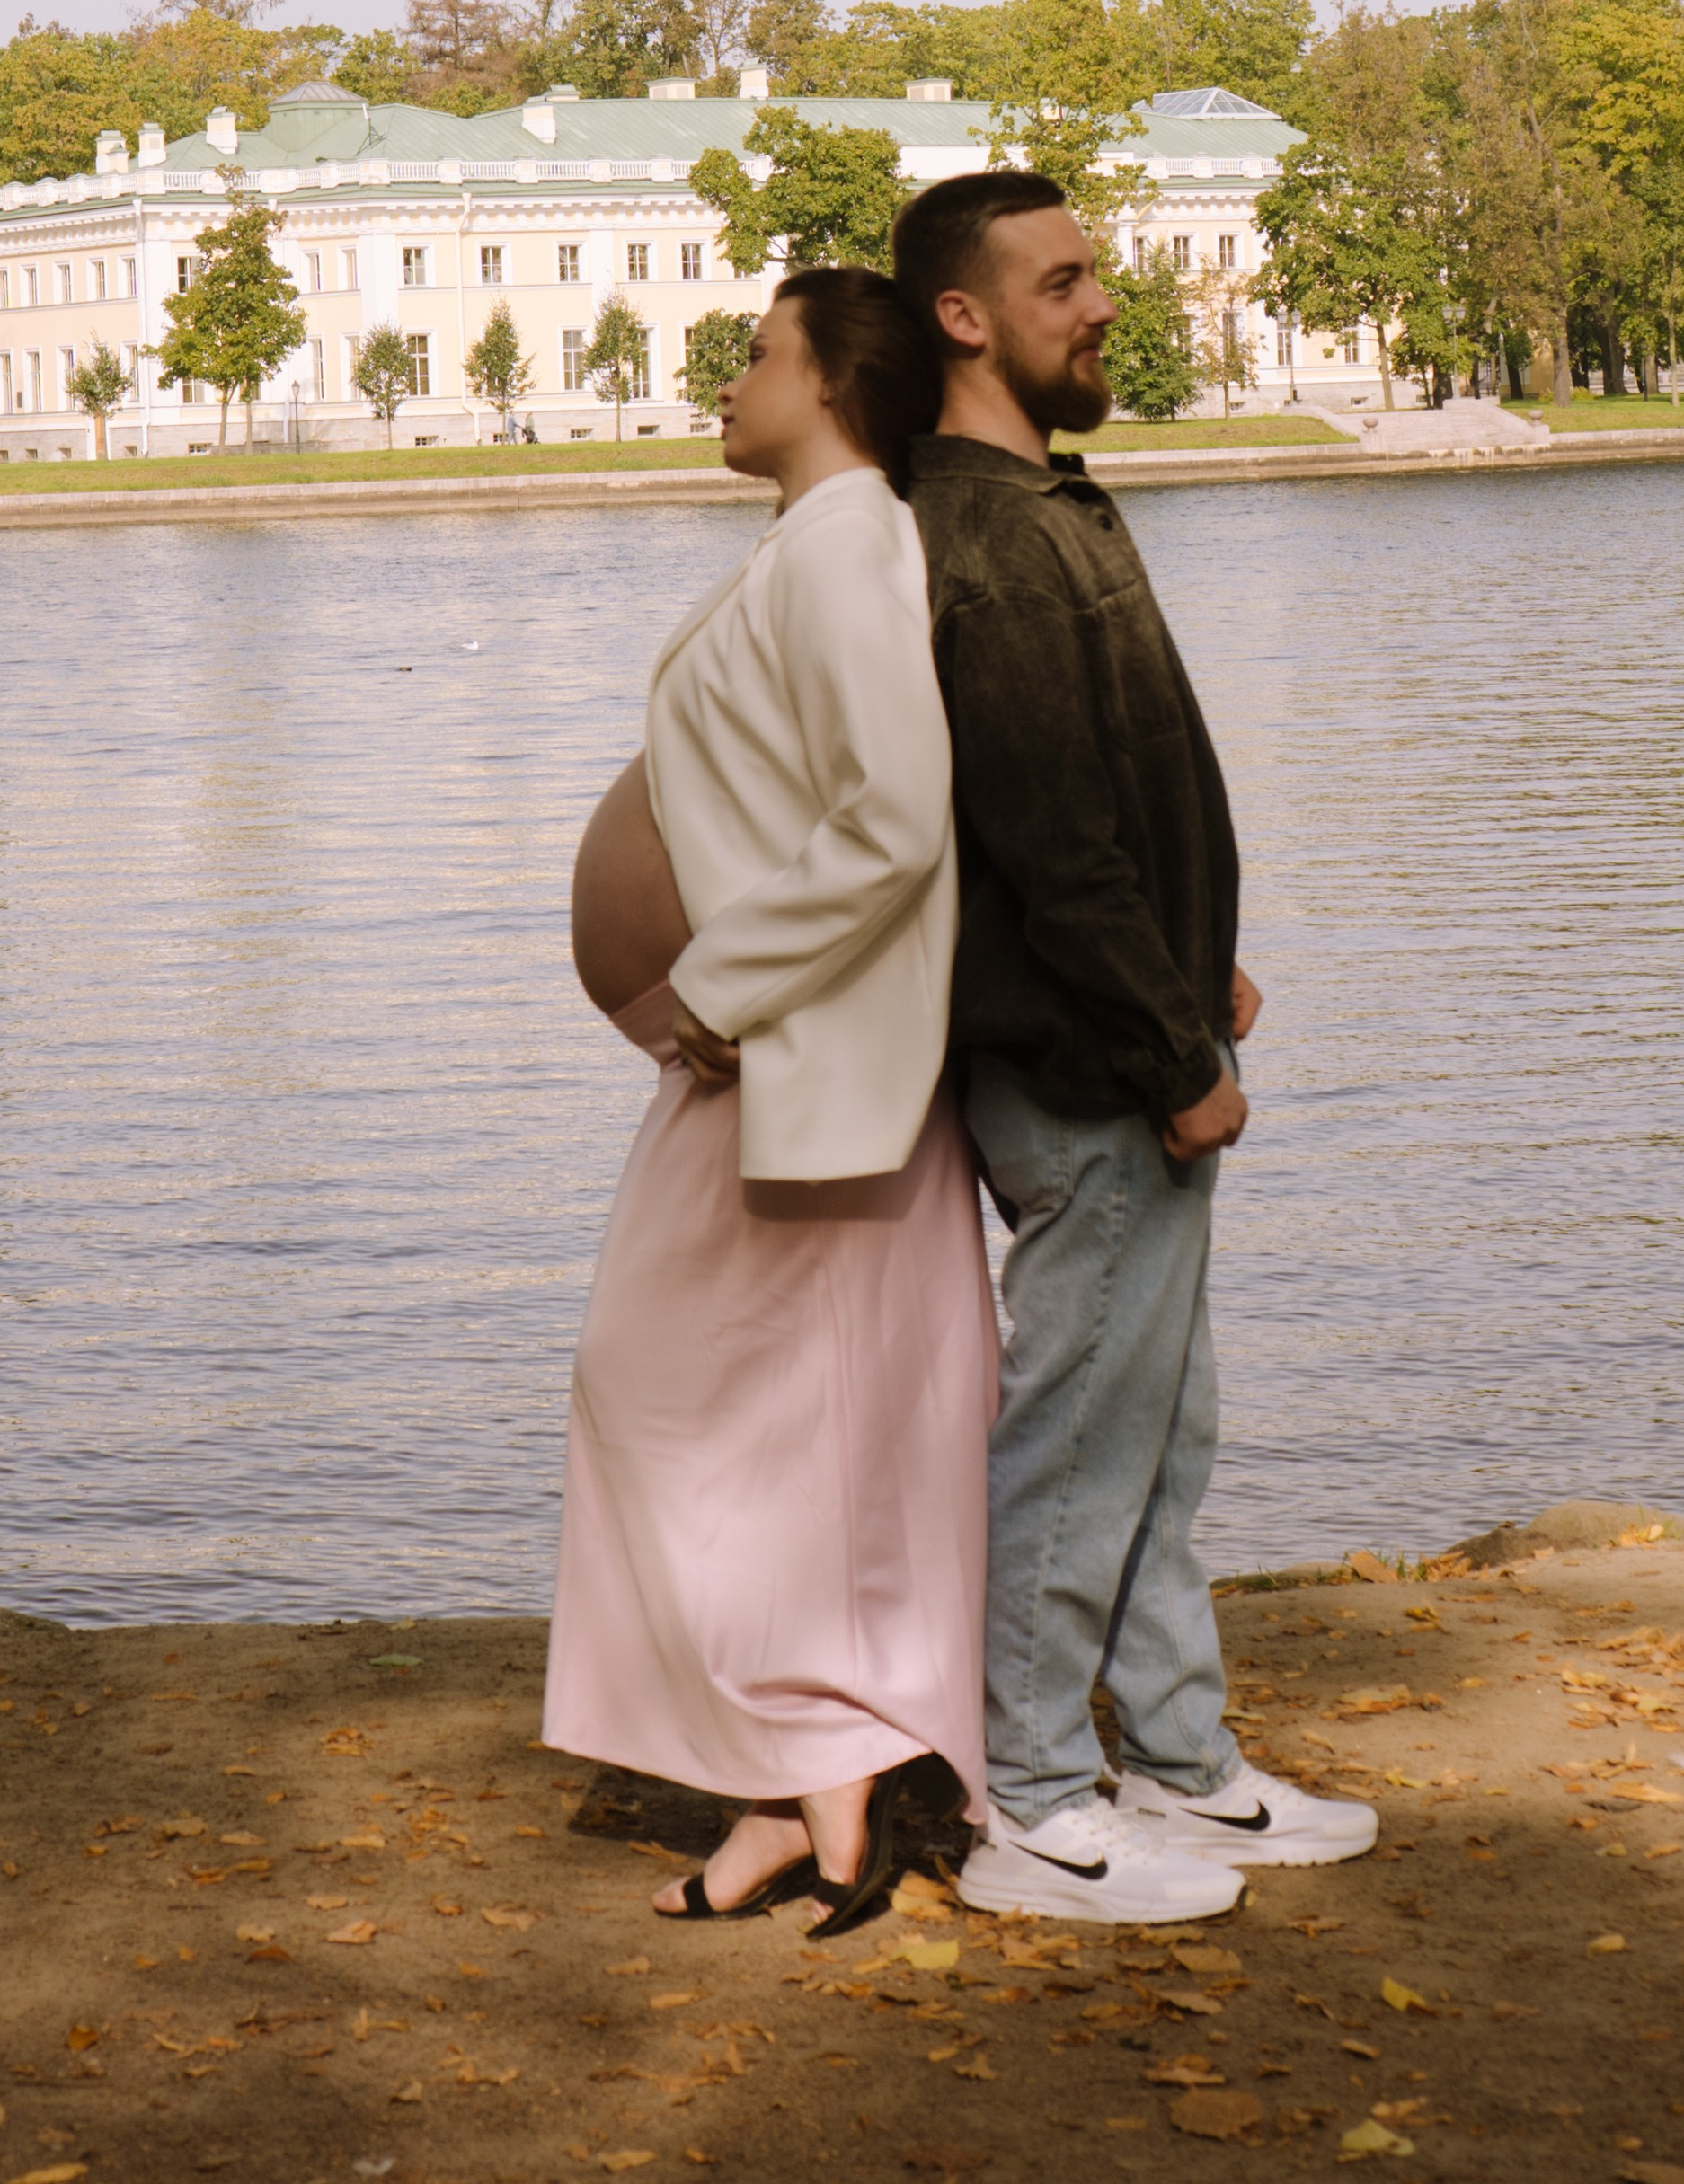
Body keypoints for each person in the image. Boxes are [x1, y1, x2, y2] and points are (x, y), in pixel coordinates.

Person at [892, 169, 1378, 1923]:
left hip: (1134, 1033)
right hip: (1081, 1069)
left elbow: (1117, 798)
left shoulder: (1053, 503)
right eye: (1063, 278)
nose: (1101, 302)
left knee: (1160, 1426)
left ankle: (1175, 1763)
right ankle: (1022, 1800)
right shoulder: (980, 535)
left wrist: (1201, 972)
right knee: (1079, 1427)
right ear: (964, 315)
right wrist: (1173, 1052)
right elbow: (1048, 842)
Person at [544, 265, 1000, 1933]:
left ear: (834, 383)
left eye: (753, 353)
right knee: (770, 1431)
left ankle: (828, 1780)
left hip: (797, 1064)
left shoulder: (854, 542)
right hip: (772, 1068)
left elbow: (898, 815)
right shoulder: (814, 543)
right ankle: (801, 1804)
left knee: (687, 1402)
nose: (723, 378)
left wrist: (726, 991)